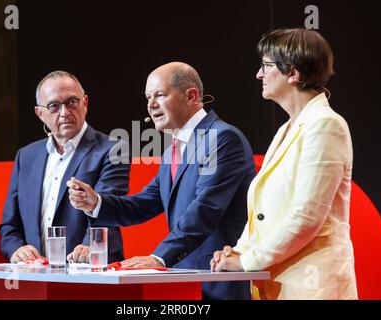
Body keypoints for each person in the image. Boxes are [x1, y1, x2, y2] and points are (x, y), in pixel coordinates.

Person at [67, 62, 256, 300]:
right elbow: (147, 202)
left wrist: (158, 258)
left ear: (192, 96)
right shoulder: (174, 148)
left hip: (219, 279)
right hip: (186, 281)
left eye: (160, 95)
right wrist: (96, 203)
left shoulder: (222, 138)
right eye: (148, 97)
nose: (151, 105)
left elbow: (205, 209)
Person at [210, 29, 358, 300]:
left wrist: (246, 262)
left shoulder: (326, 124)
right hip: (280, 282)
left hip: (313, 287)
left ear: (293, 73)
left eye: (266, 66)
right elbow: (264, 213)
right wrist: (239, 250)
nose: (259, 74)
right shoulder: (286, 130)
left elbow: (307, 216)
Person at [0, 70, 130, 264]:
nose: (65, 113)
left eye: (72, 102)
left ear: (85, 103)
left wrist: (91, 246)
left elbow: (108, 211)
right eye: (54, 106)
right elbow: (9, 225)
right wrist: (17, 250)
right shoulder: (26, 157)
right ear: (40, 113)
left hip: (92, 273)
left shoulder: (114, 149)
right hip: (36, 277)